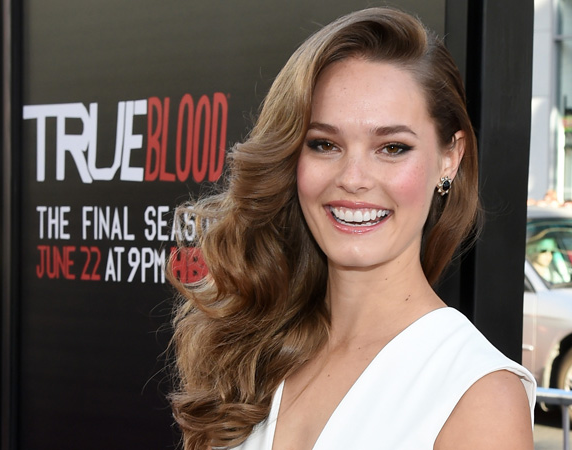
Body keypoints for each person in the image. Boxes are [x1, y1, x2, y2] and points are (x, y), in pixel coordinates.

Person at [168, 7, 536, 450]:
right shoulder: (253, 351)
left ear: (449, 158)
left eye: (392, 147)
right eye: (325, 144)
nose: (353, 178)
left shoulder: (478, 396)